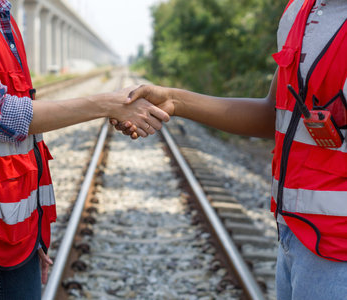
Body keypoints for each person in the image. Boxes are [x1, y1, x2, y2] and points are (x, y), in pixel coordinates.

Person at [0, 0, 169, 299]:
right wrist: (107, 104)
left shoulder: (0, 14)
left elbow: (26, 138)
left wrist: (35, 230)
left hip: (16, 234)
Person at [113, 0, 347, 298]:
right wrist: (175, 100)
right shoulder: (301, 9)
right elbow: (273, 114)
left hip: (339, 253)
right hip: (295, 235)